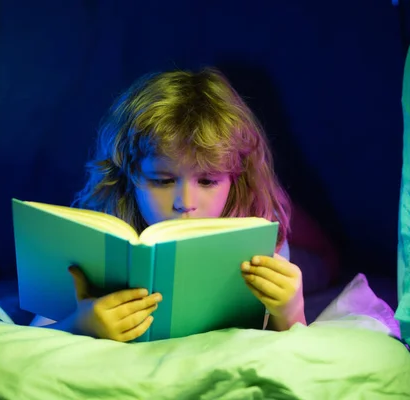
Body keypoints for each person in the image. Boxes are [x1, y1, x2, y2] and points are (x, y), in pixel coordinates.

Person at [31, 67, 307, 341]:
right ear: (127, 177)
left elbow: (292, 352)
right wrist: (79, 326)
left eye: (208, 181)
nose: (185, 204)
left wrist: (292, 312)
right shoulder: (91, 244)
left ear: (236, 180)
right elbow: (31, 341)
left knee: (318, 266)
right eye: (162, 181)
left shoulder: (264, 242)